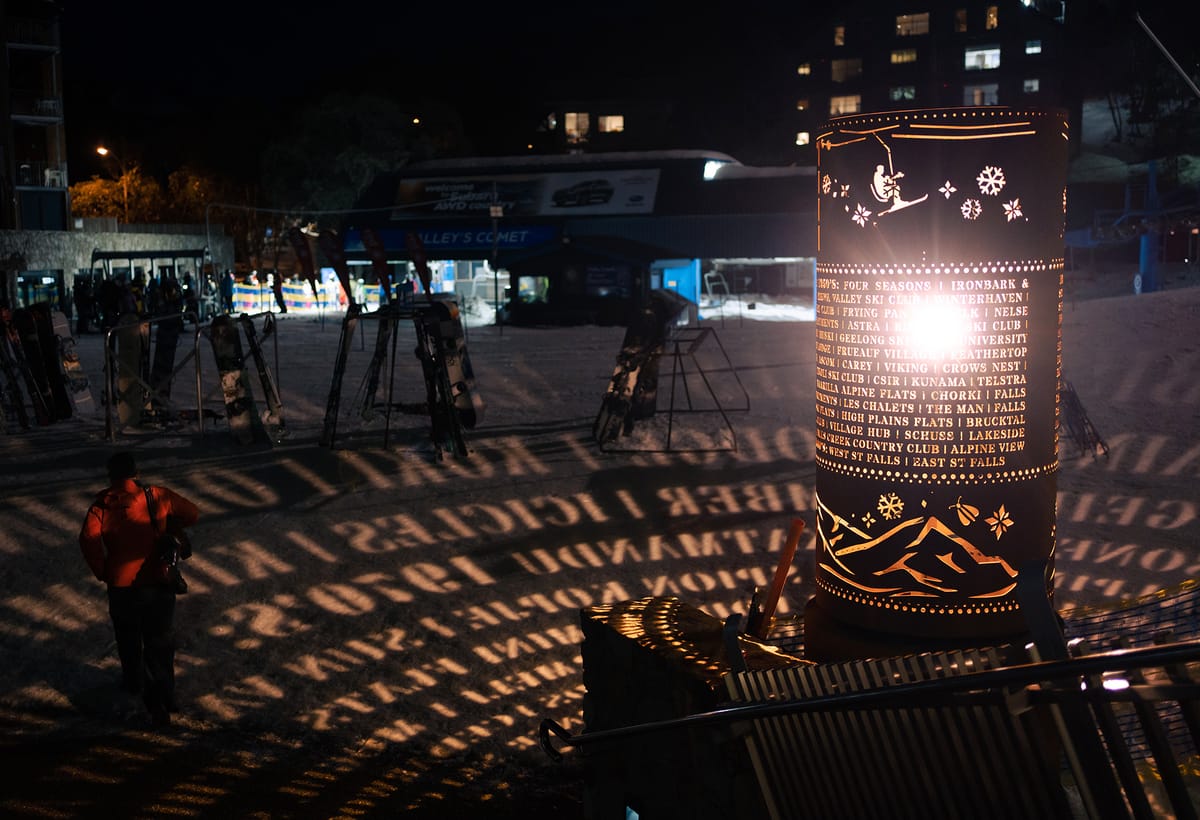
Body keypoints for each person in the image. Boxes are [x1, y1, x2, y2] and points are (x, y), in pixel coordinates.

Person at [79, 451, 199, 727]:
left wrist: (103, 570)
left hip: (120, 584)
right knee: (159, 639)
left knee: (128, 638)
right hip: (158, 581)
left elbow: (88, 540)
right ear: (136, 472)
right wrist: (169, 522)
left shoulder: (102, 506)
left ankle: (135, 686)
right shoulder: (157, 496)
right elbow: (192, 513)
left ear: (111, 476)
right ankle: (165, 692)